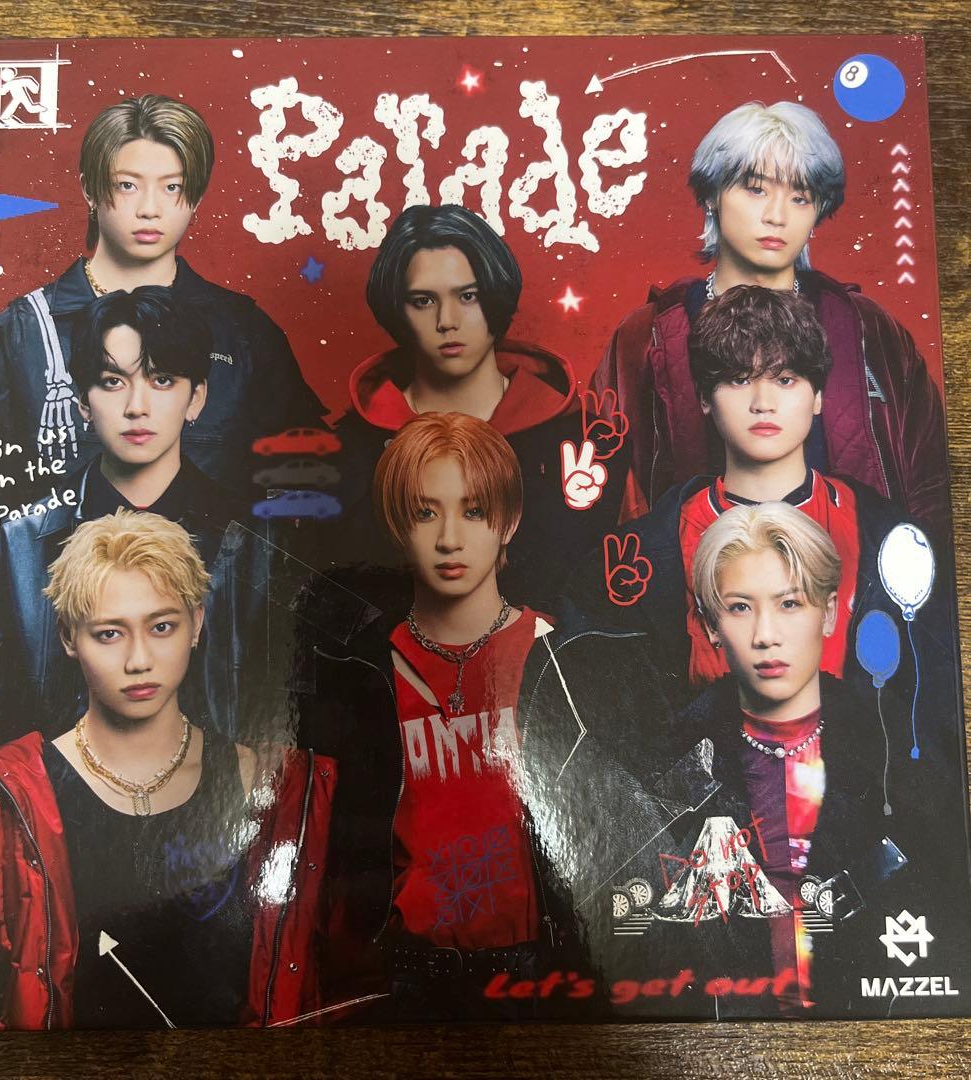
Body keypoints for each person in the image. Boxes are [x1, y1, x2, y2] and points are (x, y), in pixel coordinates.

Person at [296, 412, 675, 1021]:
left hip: (546, 971)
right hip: (408, 978)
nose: (450, 539)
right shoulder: (364, 671)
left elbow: (618, 836)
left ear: (509, 521)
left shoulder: (560, 655)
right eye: (426, 513)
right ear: (398, 526)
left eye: (473, 512)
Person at [0, 511, 336, 1029]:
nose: (139, 660)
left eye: (162, 626)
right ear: (68, 638)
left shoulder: (278, 790)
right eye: (109, 633)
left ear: (197, 624)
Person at [605, 503, 969, 1017]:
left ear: (829, 612)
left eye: (790, 603)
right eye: (739, 607)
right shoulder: (666, 768)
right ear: (710, 626)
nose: (766, 634)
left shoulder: (900, 756)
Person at [0, 288, 276, 818]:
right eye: (113, 381)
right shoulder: (17, 547)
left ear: (196, 398)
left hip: (217, 825)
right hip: (54, 832)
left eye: (161, 380)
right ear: (82, 402)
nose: (136, 406)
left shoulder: (257, 546)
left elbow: (283, 726)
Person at [0, 92, 324, 556]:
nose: (150, 209)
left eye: (172, 187)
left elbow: (304, 491)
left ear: (196, 196)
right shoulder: (21, 334)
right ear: (89, 189)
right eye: (127, 185)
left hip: (215, 595)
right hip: (57, 595)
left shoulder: (242, 332)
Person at [588, 286, 954, 729]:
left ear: (817, 396)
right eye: (739, 379)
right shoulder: (644, 550)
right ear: (705, 397)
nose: (762, 403)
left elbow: (935, 711)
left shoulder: (886, 535)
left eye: (785, 379)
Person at [590, 100, 950, 545]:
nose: (777, 216)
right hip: (691, 575)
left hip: (858, 571)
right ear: (711, 194)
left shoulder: (866, 327)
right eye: (756, 189)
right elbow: (609, 491)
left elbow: (932, 483)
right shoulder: (647, 336)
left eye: (800, 197)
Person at [329, 204, 617, 604]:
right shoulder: (353, 450)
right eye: (423, 301)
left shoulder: (582, 440)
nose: (447, 320)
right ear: (398, 310)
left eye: (468, 296)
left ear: (496, 297)